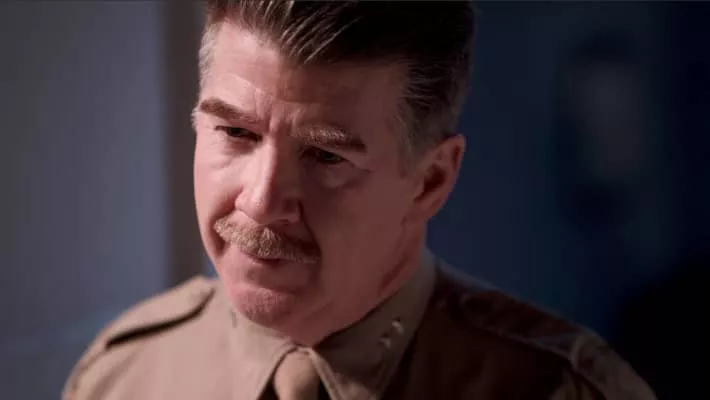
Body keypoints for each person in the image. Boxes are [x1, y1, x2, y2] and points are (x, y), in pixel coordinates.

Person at [63, 1, 656, 399]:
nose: (261, 202)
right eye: (236, 132)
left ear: (430, 182)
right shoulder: (122, 378)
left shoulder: (564, 391)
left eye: (325, 156)